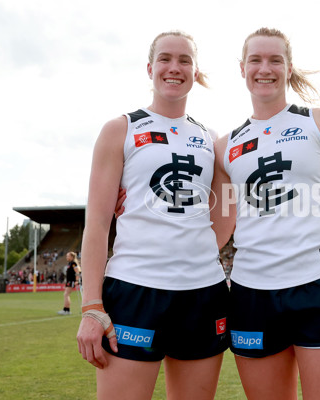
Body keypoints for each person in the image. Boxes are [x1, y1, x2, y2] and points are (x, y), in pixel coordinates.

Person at [209, 27, 320, 400]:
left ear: (288, 68)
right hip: (252, 292)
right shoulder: (225, 146)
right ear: (242, 68)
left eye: (275, 60)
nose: (265, 68)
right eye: (256, 60)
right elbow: (219, 227)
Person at [76, 31, 229, 400]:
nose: (174, 68)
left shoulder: (211, 139)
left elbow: (224, 214)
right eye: (165, 59)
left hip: (202, 293)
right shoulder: (121, 129)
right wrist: (91, 306)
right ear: (150, 68)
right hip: (134, 290)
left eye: (184, 60)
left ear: (195, 71)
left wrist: (191, 248)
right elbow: (96, 223)